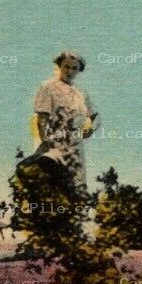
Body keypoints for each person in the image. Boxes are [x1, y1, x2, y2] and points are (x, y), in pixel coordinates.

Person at [31, 51, 99, 191]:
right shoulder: (48, 87)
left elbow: (95, 116)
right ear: (59, 66)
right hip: (53, 143)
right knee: (50, 185)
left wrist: (90, 130)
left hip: (74, 146)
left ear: (79, 70)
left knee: (77, 187)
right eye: (66, 67)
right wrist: (45, 142)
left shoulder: (80, 93)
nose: (69, 71)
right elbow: (42, 118)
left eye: (74, 68)